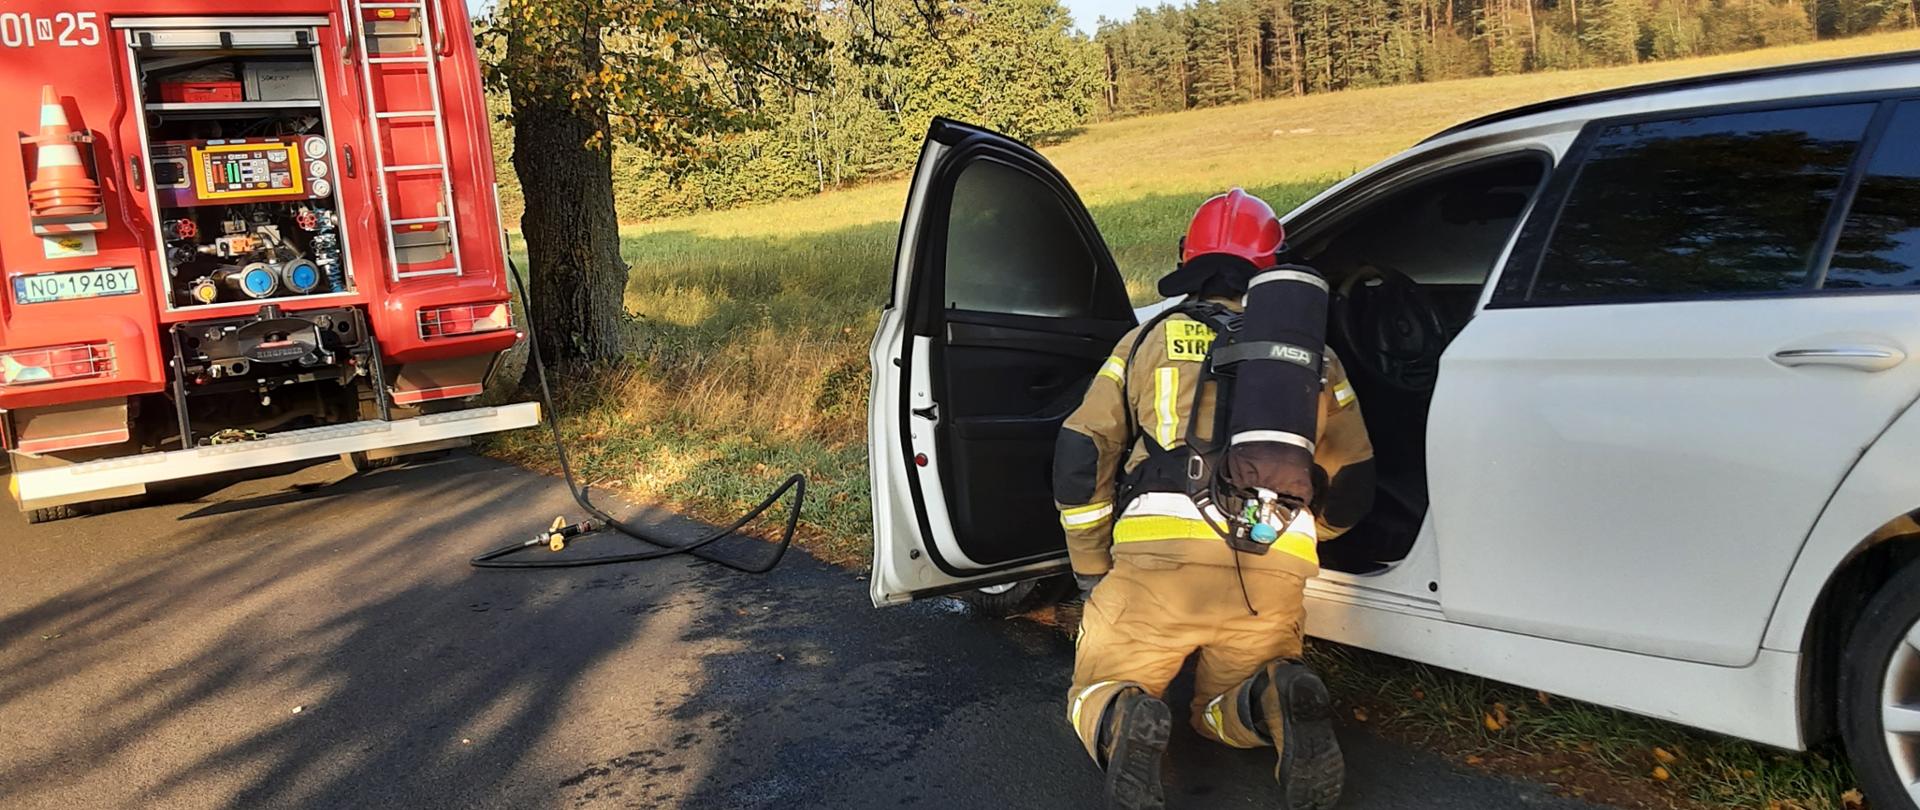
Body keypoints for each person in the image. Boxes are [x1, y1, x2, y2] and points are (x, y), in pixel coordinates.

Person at [1053, 188, 1374, 810]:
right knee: (1220, 710)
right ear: (1271, 263)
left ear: (1189, 259)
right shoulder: (1317, 359)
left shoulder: (1145, 341)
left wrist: (1092, 568)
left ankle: (1126, 718)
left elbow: (1081, 454)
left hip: (1157, 566)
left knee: (1098, 687)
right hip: (1271, 567)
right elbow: (1354, 478)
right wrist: (1297, 535)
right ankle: (1272, 699)